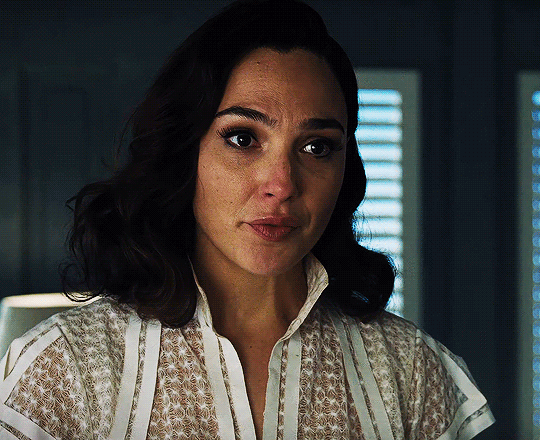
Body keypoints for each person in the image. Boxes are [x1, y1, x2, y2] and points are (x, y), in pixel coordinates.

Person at [0, 1, 494, 439]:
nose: (281, 184)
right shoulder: (62, 370)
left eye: (317, 147)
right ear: (185, 151)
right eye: (243, 138)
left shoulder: (413, 374)